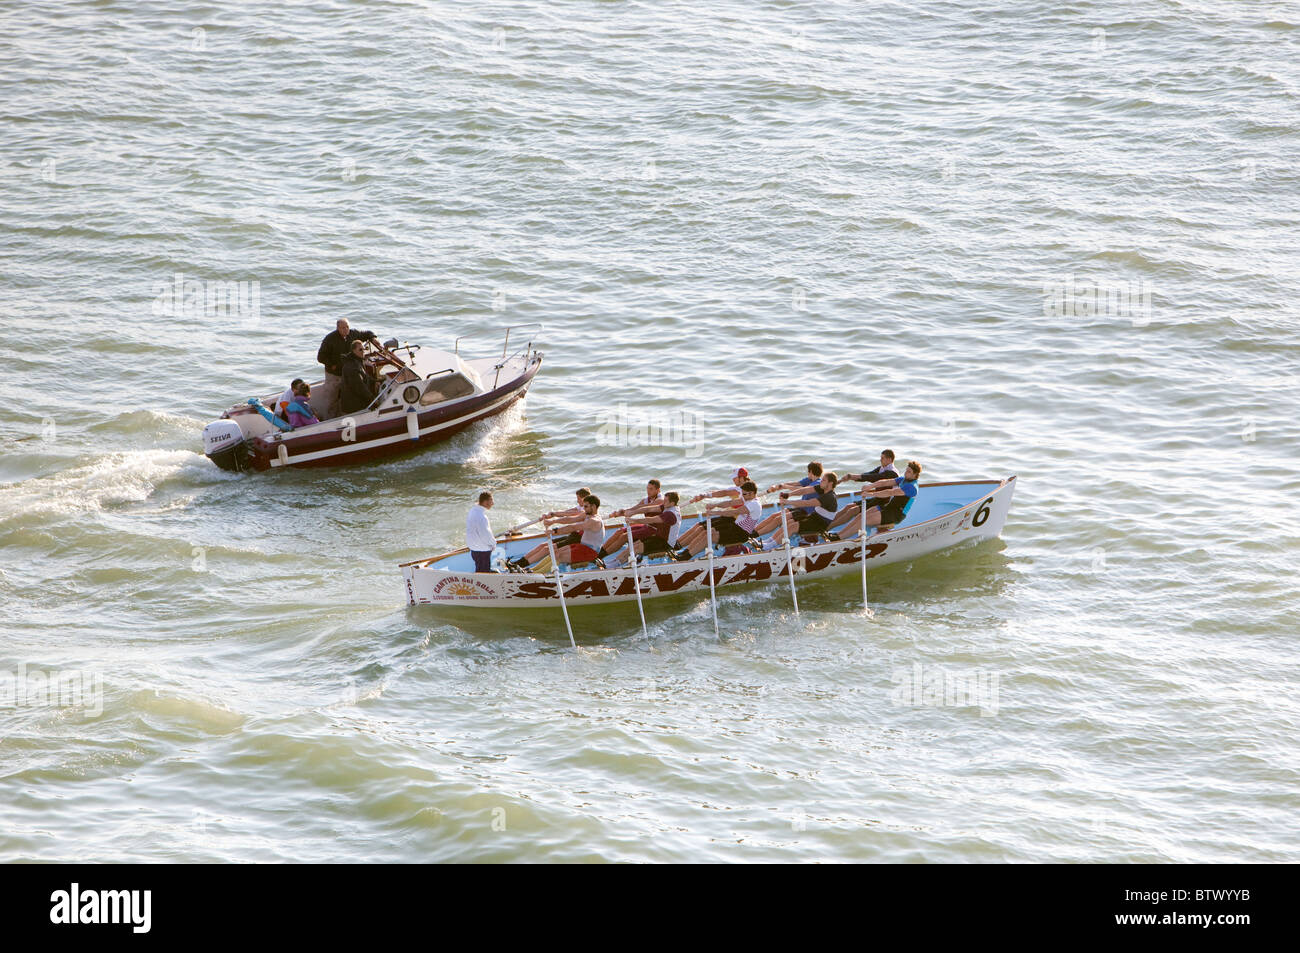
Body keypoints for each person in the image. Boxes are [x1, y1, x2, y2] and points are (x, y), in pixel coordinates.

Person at [505, 488, 592, 571]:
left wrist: (554, 517)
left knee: (547, 549)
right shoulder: (581, 507)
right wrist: (551, 514)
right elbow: (567, 511)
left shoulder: (586, 511)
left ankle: (520, 566)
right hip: (574, 535)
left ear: (584, 498)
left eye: (578, 499)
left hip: (579, 539)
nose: (577, 501)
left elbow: (572, 515)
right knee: (542, 545)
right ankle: (516, 563)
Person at [673, 482, 764, 559]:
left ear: (752, 493)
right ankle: (684, 553)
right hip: (735, 527)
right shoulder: (747, 498)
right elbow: (730, 503)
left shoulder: (754, 504)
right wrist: (714, 505)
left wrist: (715, 513)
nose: (742, 496)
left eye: (744, 494)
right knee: (707, 532)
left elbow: (735, 512)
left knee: (711, 536)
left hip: (741, 534)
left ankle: (684, 557)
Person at [833, 461, 922, 538]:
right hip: (889, 507)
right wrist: (870, 486)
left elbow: (890, 492)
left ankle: (839, 538)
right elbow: (885, 482)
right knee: (861, 516)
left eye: (909, 472)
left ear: (915, 475)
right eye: (906, 470)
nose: (906, 473)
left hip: (896, 514)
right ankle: (838, 534)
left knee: (864, 520)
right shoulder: (903, 480)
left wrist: (870, 494)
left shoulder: (912, 487)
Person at [673, 467, 752, 554]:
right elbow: (720, 491)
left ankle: (677, 547)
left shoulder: (743, 490)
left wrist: (705, 496)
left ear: (741, 478)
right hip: (727, 517)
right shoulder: (739, 487)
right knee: (698, 526)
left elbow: (724, 493)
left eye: (735, 478)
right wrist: (704, 495)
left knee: (701, 529)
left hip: (734, 521)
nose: (733, 479)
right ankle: (675, 544)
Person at [523, 496, 607, 572]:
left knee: (559, 556)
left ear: (594, 506)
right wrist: (553, 521)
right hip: (582, 546)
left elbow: (573, 527)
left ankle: (535, 573)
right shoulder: (587, 515)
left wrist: (554, 531)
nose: (584, 508)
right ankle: (531, 570)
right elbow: (570, 519)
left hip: (590, 552)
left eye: (586, 506)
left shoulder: (594, 521)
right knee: (555, 552)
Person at [828, 450, 903, 532]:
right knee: (848, 506)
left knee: (852, 511)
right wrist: (851, 477)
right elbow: (868, 474)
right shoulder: (882, 468)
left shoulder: (892, 473)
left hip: (884, 503)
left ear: (889, 460)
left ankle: (827, 528)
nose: (880, 460)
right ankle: (827, 523)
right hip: (877, 499)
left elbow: (874, 477)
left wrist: (853, 476)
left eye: (882, 458)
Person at [317, 319, 378, 417]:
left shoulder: (353, 334)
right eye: (343, 328)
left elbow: (366, 334)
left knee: (347, 395)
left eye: (347, 327)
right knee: (332, 398)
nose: (346, 330)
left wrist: (373, 338)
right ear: (338, 328)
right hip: (335, 373)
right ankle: (330, 418)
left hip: (349, 372)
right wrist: (332, 365)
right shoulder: (330, 339)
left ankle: (343, 415)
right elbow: (320, 357)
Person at [596, 479, 667, 560]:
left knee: (624, 536)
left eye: (651, 489)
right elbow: (634, 508)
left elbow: (645, 508)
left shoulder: (660, 500)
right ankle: (599, 552)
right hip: (647, 526)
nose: (648, 491)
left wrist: (631, 512)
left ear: (658, 490)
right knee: (619, 532)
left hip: (656, 530)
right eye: (647, 488)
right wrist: (621, 512)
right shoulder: (646, 500)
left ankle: (600, 557)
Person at [771, 471, 840, 546]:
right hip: (815, 517)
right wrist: (789, 494)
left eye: (823, 480)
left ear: (830, 483)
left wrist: (788, 502)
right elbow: (805, 490)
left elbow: (807, 503)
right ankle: (769, 541)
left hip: (821, 524)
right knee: (789, 522)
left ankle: (769, 546)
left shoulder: (829, 497)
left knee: (792, 527)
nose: (821, 482)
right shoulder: (822, 488)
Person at [753, 461, 823, 536]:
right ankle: (752, 531)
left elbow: (801, 490)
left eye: (808, 471)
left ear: (811, 471)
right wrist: (781, 485)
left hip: (807, 512)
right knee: (774, 515)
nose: (807, 473)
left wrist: (785, 487)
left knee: (778, 519)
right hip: (800, 508)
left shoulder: (818, 483)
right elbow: (796, 483)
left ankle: (755, 535)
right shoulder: (809, 480)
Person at [339, 338, 378, 416]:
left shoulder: (357, 361)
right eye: (360, 350)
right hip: (354, 407)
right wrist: (373, 399)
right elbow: (359, 386)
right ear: (353, 351)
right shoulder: (352, 367)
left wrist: (376, 381)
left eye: (363, 349)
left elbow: (365, 376)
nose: (363, 351)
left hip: (355, 402)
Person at [466, 492, 497, 572]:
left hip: (473, 548)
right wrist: (493, 543)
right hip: (482, 550)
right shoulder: (482, 517)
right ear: (485, 502)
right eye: (491, 500)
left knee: (479, 569)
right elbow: (486, 535)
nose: (493, 503)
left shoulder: (472, 511)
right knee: (483, 573)